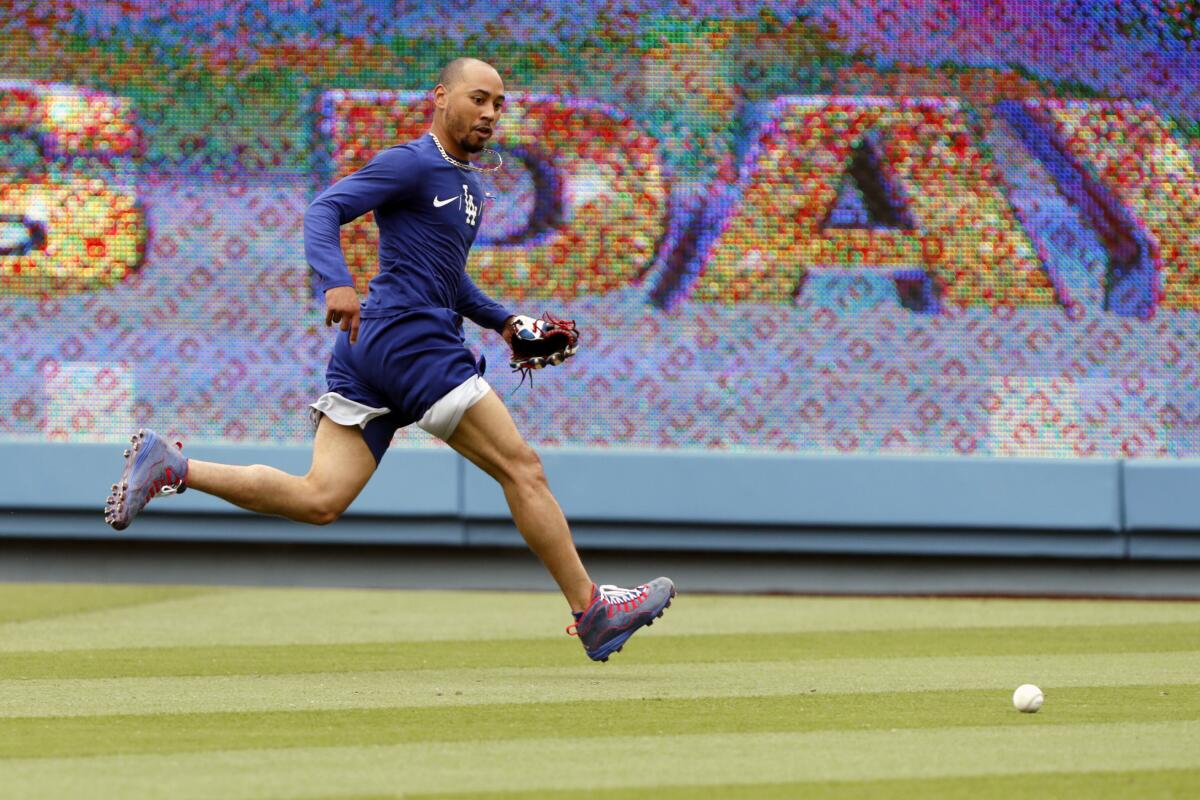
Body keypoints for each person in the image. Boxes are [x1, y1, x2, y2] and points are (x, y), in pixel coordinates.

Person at [103, 57, 674, 662]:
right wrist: (335, 283)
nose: (489, 113)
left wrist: (503, 321)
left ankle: (172, 467)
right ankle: (593, 611)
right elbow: (324, 210)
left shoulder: (470, 186)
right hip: (411, 341)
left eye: (498, 104)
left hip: (373, 349)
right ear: (441, 96)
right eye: (478, 98)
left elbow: (447, 282)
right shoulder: (412, 161)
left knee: (320, 497)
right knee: (522, 469)